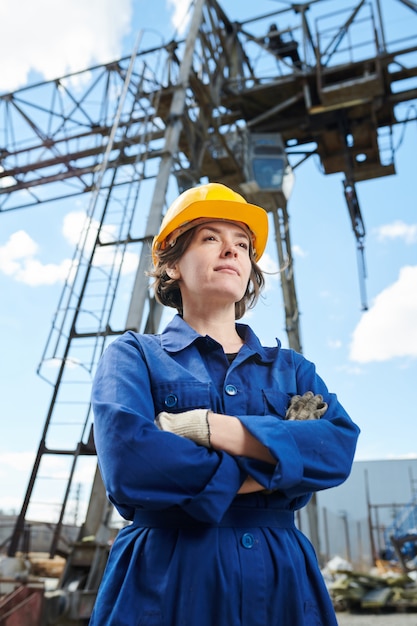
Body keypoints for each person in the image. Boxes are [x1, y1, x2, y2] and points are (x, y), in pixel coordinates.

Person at [89, 182, 360, 625]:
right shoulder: (134, 356)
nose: (231, 251)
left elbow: (337, 451)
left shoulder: (293, 369)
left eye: (241, 244)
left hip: (281, 582)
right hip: (167, 576)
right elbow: (131, 467)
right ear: (172, 264)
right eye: (210, 238)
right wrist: (283, 465)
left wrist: (207, 428)